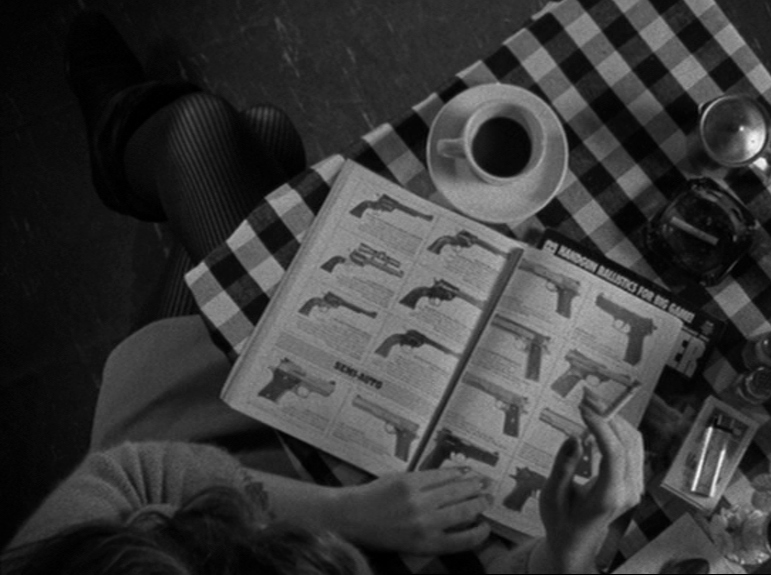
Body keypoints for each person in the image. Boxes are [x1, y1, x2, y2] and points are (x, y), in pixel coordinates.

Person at [1, 11, 645, 575]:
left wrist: (346, 512)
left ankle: (122, 142)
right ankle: (131, 143)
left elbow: (141, 475)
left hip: (200, 425)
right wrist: (569, 550)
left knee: (219, 135)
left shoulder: (59, 561)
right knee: (243, 140)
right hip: (315, 464)